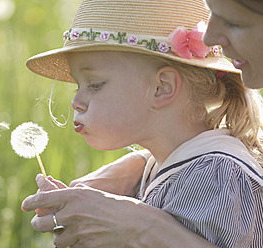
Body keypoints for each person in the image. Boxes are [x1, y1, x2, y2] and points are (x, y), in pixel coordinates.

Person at [21, 0, 263, 247]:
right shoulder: (169, 166)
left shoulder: (213, 178)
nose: (76, 102)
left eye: (95, 85)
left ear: (162, 88)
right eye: (77, 85)